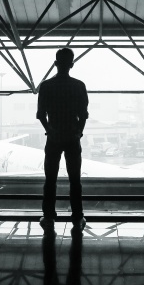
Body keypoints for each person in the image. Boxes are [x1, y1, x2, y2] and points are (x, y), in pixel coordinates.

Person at [36, 48, 89, 234]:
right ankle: (77, 217)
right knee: (75, 180)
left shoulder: (46, 86)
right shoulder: (78, 86)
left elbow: (41, 115)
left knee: (50, 179)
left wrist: (49, 130)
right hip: (72, 137)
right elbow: (83, 115)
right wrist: (78, 133)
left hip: (54, 137)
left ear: (56, 63)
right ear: (72, 64)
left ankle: (49, 217)